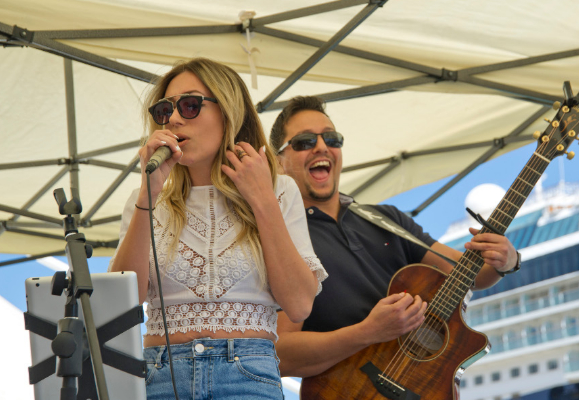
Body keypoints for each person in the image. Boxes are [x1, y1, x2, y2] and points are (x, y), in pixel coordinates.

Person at [108, 59, 327, 400]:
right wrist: (148, 195)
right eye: (165, 110)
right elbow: (120, 309)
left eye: (190, 105)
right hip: (160, 378)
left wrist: (262, 201)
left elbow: (299, 305)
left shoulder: (279, 189)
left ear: (228, 111)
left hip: (248, 375)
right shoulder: (146, 200)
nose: (176, 118)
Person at [270, 96, 520, 378]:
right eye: (304, 141)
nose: (321, 147)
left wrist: (506, 262)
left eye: (331, 138)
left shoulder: (387, 219)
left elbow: (471, 275)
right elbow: (280, 353)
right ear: (278, 161)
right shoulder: (279, 237)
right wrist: (366, 333)